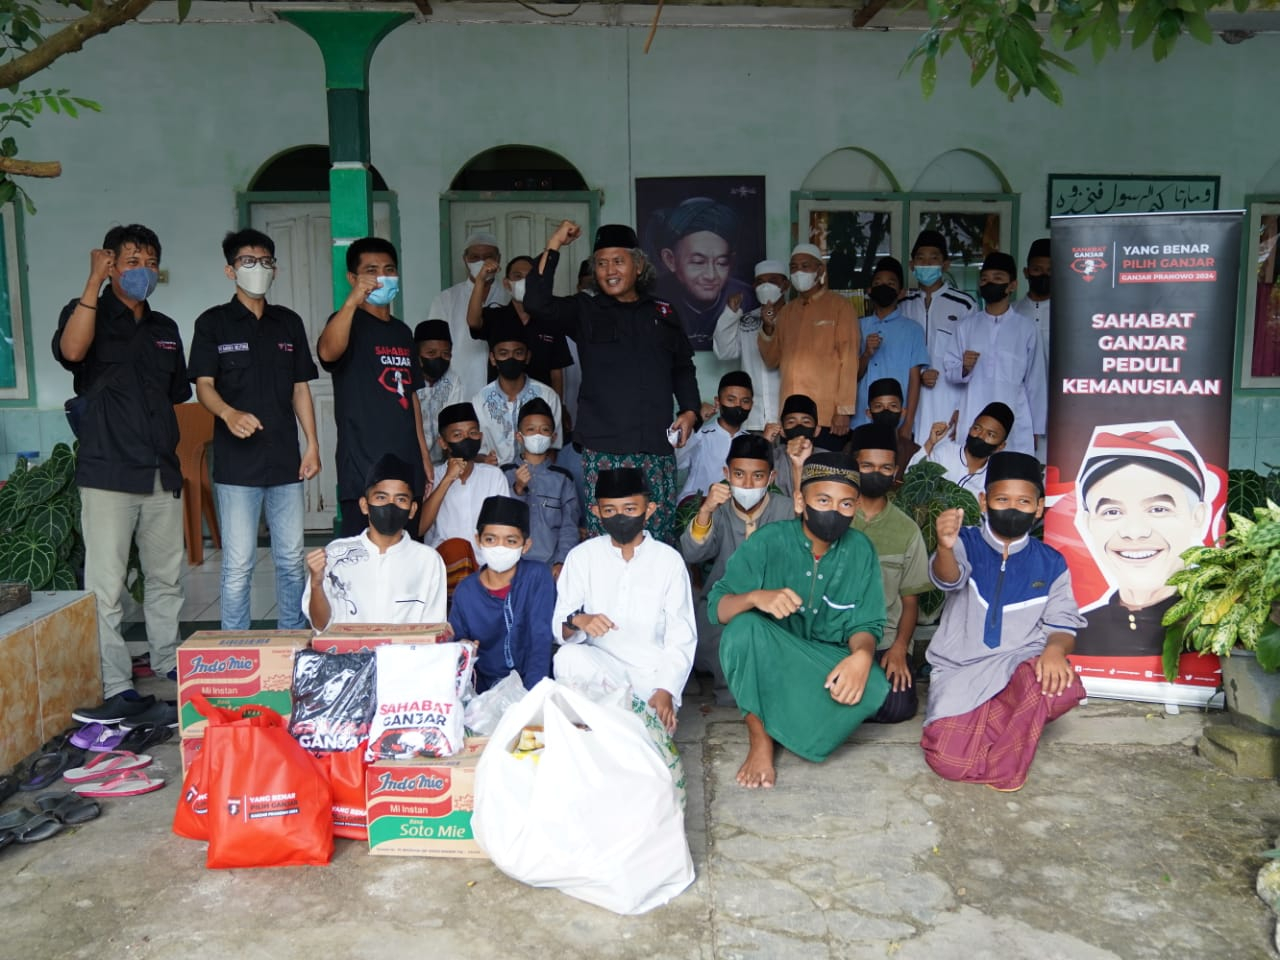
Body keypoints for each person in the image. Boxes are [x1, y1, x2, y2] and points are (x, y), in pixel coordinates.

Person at [53, 224, 191, 701]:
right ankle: (115, 681)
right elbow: (72, 352)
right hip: (108, 472)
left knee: (165, 578)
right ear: (110, 264)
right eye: (132, 262)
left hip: (159, 472)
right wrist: (92, 283)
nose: (144, 271)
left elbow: (177, 395)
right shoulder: (85, 313)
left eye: (151, 262)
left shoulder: (165, 329)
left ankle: (167, 659)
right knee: (107, 586)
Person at [710, 452, 889, 788]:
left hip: (821, 663)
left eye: (846, 504)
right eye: (823, 499)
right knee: (741, 629)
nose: (834, 512)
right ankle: (761, 738)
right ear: (799, 500)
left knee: (876, 685)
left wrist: (862, 656)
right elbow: (718, 609)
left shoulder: (860, 550)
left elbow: (865, 624)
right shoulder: (768, 541)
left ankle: (785, 723)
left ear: (856, 507)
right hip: (773, 658)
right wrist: (754, 597)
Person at [523, 220, 702, 545]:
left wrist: (689, 411)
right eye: (601, 263)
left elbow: (682, 367)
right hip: (604, 450)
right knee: (607, 543)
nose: (609, 270)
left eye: (618, 261)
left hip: (655, 450)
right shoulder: (585, 310)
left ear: (637, 265)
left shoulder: (663, 313)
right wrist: (554, 244)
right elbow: (536, 303)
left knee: (656, 540)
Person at [921, 451, 1086, 792]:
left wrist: (1055, 650)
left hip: (1017, 665)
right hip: (961, 670)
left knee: (1060, 683)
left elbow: (1063, 622)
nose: (1013, 508)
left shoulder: (1050, 562)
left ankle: (1006, 762)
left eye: (1024, 501)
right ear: (984, 501)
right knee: (949, 764)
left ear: (1039, 508)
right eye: (1002, 499)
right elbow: (948, 578)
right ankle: (1007, 726)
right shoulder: (965, 541)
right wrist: (945, 546)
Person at [188, 228, 320, 632]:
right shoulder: (213, 323)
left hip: (285, 459)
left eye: (265, 262)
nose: (257, 269)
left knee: (290, 559)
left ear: (274, 269)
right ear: (230, 270)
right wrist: (228, 414)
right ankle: (235, 648)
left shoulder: (288, 323)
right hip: (236, 465)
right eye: (248, 262)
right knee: (239, 564)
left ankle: (292, 643)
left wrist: (312, 445)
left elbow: (300, 389)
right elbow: (204, 386)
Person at [552, 467, 698, 733]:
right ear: (597, 513)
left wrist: (666, 690)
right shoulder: (581, 557)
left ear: (649, 509)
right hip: (601, 673)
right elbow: (561, 623)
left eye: (630, 509)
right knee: (568, 656)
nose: (620, 517)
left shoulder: (668, 561)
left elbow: (682, 636)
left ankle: (608, 726)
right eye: (609, 510)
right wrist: (578, 620)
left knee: (644, 739)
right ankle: (603, 726)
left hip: (651, 680)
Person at [316, 237, 431, 537]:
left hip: (407, 465)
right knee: (362, 557)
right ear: (353, 278)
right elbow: (328, 352)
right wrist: (353, 300)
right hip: (362, 467)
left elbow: (412, 397)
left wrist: (424, 457)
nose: (382, 277)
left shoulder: (403, 332)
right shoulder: (345, 323)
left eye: (389, 269)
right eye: (371, 270)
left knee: (408, 552)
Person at [1071, 424, 1212, 658]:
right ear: (1088, 524)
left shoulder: (1214, 627)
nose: (1134, 532)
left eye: (1158, 509)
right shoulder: (1075, 634)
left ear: (1197, 517)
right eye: (1112, 512)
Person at [680, 434, 794, 705]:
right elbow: (693, 553)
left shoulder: (787, 510)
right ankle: (733, 699)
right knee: (723, 640)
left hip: (774, 609)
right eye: (739, 475)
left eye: (757, 476)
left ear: (772, 477)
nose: (747, 483)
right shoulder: (718, 510)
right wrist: (706, 510)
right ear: (726, 473)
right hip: (723, 609)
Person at [302, 454, 446, 630]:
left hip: (405, 655)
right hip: (347, 654)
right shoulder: (335, 554)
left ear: (412, 509)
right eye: (381, 497)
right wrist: (316, 584)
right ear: (364, 505)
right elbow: (321, 625)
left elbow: (433, 630)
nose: (390, 505)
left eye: (401, 499)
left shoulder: (428, 561)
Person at [848, 425, 932, 723]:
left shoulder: (906, 529)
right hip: (836, 637)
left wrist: (899, 648)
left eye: (885, 467)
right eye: (866, 466)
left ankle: (848, 702)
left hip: (885, 640)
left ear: (896, 471)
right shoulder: (834, 516)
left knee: (898, 707)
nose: (876, 473)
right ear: (853, 466)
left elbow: (910, 601)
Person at [448, 496, 555, 693]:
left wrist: (532, 697)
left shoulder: (537, 577)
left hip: (531, 682)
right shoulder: (466, 591)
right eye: (490, 539)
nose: (500, 547)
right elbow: (456, 645)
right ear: (478, 540)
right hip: (483, 690)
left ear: (526, 545)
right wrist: (464, 648)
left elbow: (540, 640)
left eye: (511, 541)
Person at [758, 243, 860, 450]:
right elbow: (771, 360)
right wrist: (768, 328)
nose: (798, 272)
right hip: (791, 416)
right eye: (794, 267)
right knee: (791, 473)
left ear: (819, 270)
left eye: (805, 266)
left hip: (826, 416)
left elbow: (849, 360)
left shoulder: (840, 307)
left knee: (822, 474)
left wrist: (844, 410)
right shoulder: (787, 312)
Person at [944, 250, 1046, 457]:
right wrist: (964, 367)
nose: (990, 283)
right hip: (973, 409)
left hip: (1014, 415)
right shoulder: (966, 326)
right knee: (970, 470)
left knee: (1009, 471)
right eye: (985, 279)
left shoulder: (1025, 328)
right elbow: (950, 372)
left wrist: (1036, 428)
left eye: (998, 278)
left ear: (1012, 285)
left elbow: (1036, 381)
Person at [466, 254, 574, 410]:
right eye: (517, 276)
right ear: (507, 283)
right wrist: (481, 280)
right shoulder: (496, 316)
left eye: (529, 277)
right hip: (499, 406)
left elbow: (556, 373)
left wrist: (557, 409)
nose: (523, 282)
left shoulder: (550, 320)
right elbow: (473, 321)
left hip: (540, 409)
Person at [898, 230, 976, 441]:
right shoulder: (902, 305)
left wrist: (963, 409)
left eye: (934, 258)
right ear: (911, 264)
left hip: (948, 399)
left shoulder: (964, 304)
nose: (927, 263)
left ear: (945, 264)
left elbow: (972, 361)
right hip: (908, 398)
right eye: (921, 258)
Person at [649, 197, 756, 350]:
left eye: (721, 263)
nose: (711, 275)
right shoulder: (652, 298)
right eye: (698, 262)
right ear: (670, 260)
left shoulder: (748, 300)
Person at [426, 230, 508, 400]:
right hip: (458, 386)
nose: (482, 262)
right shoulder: (446, 299)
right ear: (465, 259)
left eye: (488, 256)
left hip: (503, 388)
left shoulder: (509, 297)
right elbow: (433, 347)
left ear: (498, 259)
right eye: (475, 257)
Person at [502, 397, 578, 576]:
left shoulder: (562, 478)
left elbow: (569, 526)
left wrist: (561, 561)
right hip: (511, 567)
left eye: (544, 430)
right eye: (531, 430)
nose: (538, 434)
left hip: (549, 567)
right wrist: (518, 490)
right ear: (519, 436)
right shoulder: (504, 473)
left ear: (553, 437)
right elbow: (499, 521)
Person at [471, 320, 563, 467]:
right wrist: (484, 461)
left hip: (537, 479)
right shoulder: (480, 400)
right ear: (493, 358)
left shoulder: (547, 396)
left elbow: (553, 449)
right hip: (495, 480)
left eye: (518, 353)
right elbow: (476, 452)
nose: (511, 359)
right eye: (503, 353)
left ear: (527, 356)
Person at [419, 402, 511, 547]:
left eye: (472, 433)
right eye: (457, 435)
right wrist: (447, 479)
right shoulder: (432, 477)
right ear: (443, 443)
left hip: (483, 564)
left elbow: (504, 526)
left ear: (480, 437)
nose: (467, 439)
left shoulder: (494, 476)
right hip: (442, 563)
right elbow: (419, 529)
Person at [856, 257, 929, 437]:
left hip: (898, 420)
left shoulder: (912, 329)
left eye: (890, 283)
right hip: (861, 417)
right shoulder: (857, 326)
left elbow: (914, 380)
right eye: (878, 283)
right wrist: (866, 354)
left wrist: (908, 422)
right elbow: (851, 376)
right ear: (869, 290)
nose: (884, 287)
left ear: (901, 292)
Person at [713, 260, 787, 430]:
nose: (765, 286)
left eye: (772, 281)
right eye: (760, 282)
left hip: (786, 418)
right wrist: (730, 314)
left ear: (785, 285)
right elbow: (724, 352)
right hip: (753, 418)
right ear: (754, 286)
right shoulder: (747, 320)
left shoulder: (796, 319)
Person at [677, 371, 753, 503]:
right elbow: (676, 462)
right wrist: (697, 421)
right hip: (695, 508)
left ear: (752, 404)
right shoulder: (700, 434)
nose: (738, 405)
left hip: (735, 512)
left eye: (745, 401)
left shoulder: (751, 441)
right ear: (718, 402)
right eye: (731, 399)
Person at [909, 401, 1014, 493]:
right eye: (977, 428)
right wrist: (930, 443)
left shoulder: (994, 478)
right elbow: (911, 478)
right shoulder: (946, 451)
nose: (981, 436)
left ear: (1001, 446)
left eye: (990, 434)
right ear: (970, 429)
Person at [1011, 238, 1052, 460]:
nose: (1043, 275)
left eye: (1049, 270)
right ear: (1026, 272)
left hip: (1059, 407)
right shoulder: (1013, 313)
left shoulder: (1068, 313)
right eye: (1037, 269)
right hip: (1021, 408)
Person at [414, 319, 463, 465]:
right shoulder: (406, 381)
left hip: (443, 462)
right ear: (417, 355)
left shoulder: (453, 381)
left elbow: (454, 423)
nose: (439, 359)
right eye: (431, 353)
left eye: (445, 354)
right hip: (412, 462)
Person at [863, 378, 919, 483]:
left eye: (893, 406)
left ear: (903, 412)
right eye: (878, 406)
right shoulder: (855, 447)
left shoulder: (913, 451)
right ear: (869, 413)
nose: (886, 411)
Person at [769, 393, 818, 498]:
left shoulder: (828, 459)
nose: (799, 426)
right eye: (791, 422)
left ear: (817, 430)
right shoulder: (771, 458)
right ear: (782, 431)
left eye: (806, 421)